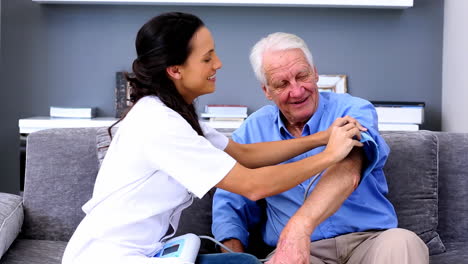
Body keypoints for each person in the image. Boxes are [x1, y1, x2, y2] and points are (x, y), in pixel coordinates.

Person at [61, 13, 365, 264]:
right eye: (207, 58)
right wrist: (329, 156)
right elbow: (253, 185)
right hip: (109, 257)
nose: (218, 64)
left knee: (242, 262)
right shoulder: (159, 123)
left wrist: (322, 138)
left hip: (144, 251)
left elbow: (245, 154)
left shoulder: (175, 113)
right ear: (175, 70)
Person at [212, 32, 430, 264]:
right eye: (282, 84)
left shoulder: (354, 110)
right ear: (266, 91)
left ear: (315, 73)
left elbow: (349, 171)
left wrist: (299, 227)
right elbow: (230, 202)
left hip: (368, 241)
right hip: (299, 252)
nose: (296, 91)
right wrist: (233, 257)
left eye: (302, 76)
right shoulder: (252, 131)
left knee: (403, 242)